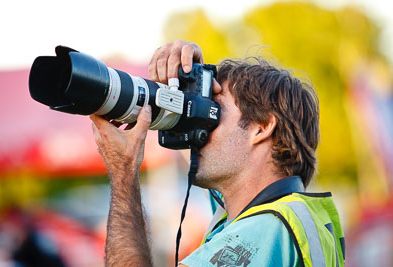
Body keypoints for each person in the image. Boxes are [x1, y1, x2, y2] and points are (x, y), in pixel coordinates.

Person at [89, 40, 345, 267]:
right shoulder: (290, 216)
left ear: (263, 127)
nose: (202, 123)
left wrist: (123, 171)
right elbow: (205, 154)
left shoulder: (264, 230)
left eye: (216, 110)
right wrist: (190, 84)